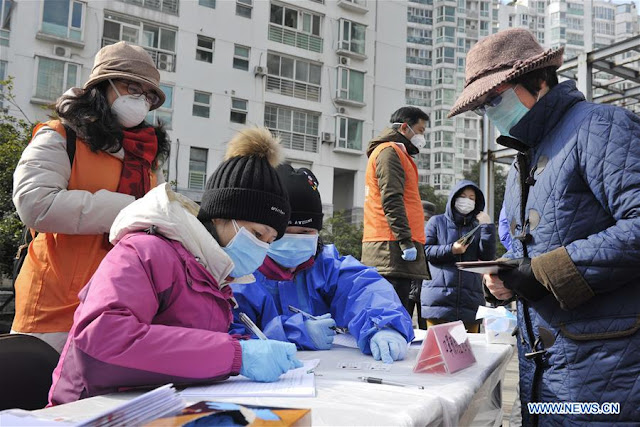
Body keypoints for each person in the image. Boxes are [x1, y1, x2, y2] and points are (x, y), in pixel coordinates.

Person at [449, 28, 640, 425]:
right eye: (481, 107)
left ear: (538, 81)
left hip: (606, 370)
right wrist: (507, 277)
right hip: (547, 371)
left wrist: (540, 274)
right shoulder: (522, 161)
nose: (490, 112)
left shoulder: (602, 127)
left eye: (494, 99)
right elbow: (532, 250)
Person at [48, 128, 302, 405]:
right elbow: (102, 340)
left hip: (156, 406)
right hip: (90, 410)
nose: (261, 249)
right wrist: (236, 355)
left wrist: (243, 346)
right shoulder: (145, 253)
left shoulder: (213, 277)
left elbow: (187, 345)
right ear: (220, 216)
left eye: (270, 241)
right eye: (257, 234)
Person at [11, 41, 170, 352]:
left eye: (148, 95)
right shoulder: (60, 135)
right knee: (40, 380)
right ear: (103, 85)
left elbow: (160, 215)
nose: (141, 100)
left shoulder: (148, 155)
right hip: (55, 309)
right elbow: (35, 204)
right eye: (132, 88)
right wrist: (129, 210)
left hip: (121, 307)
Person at [230, 165, 414, 364]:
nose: (293, 241)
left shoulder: (326, 266)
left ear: (317, 233)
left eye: (305, 233)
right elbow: (228, 336)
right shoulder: (241, 273)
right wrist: (296, 331)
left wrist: (384, 326)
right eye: (283, 233)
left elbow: (366, 290)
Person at [361, 107, 431, 318]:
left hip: (392, 246)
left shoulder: (397, 153)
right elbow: (391, 199)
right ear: (404, 127)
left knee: (396, 314)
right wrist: (405, 241)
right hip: (390, 248)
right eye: (420, 130)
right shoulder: (390, 153)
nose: (422, 137)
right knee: (392, 316)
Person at [421, 181, 495, 332]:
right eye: (462, 196)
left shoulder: (477, 226)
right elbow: (425, 251)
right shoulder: (437, 222)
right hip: (439, 300)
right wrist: (451, 250)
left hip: (470, 300)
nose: (467, 201)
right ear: (454, 198)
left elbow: (487, 256)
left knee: (470, 345)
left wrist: (487, 227)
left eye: (471, 198)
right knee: (437, 344)